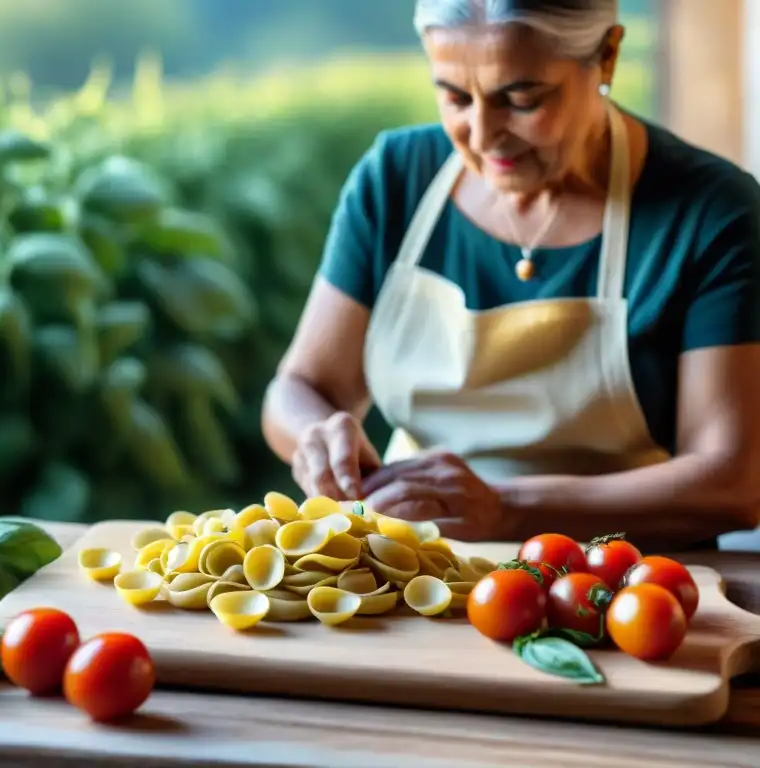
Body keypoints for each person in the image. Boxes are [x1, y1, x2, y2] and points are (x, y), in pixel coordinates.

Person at [260, 0, 760, 551]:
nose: (481, 134)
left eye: (521, 99)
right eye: (453, 96)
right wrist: (317, 436)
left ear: (607, 56)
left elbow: (731, 482)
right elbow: (300, 387)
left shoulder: (713, 213)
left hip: (621, 583)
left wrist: (506, 509)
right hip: (409, 564)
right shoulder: (396, 178)